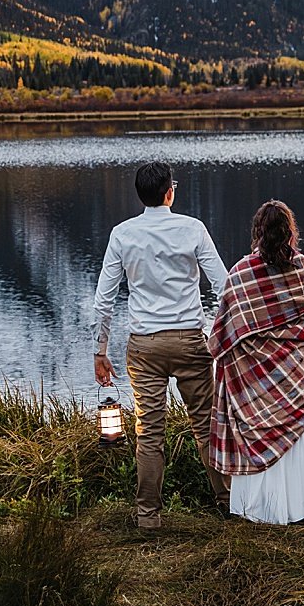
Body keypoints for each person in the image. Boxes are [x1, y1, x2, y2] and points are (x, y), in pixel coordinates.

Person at [94, 161, 231, 529]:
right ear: (169, 192)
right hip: (190, 341)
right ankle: (228, 503)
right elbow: (224, 287)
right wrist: (222, 335)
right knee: (205, 427)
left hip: (145, 347)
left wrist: (100, 351)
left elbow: (104, 300)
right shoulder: (193, 229)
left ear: (141, 196)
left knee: (149, 432)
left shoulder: (122, 234)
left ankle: (148, 517)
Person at [208, 200, 304, 525]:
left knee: (261, 438)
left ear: (258, 232)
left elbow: (222, 335)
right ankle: (295, 511)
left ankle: (258, 510)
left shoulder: (241, 274)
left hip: (253, 383)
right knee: (295, 443)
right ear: (291, 232)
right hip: (297, 378)